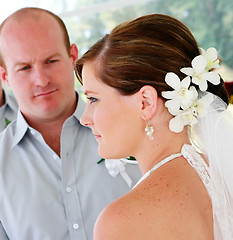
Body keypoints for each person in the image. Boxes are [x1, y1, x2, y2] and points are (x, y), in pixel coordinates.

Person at [76, 14, 233, 239]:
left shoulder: (121, 222)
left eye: (93, 99)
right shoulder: (222, 177)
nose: (85, 118)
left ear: (146, 102)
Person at [0, 7, 141, 240]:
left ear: (73, 55)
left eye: (51, 61)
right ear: (4, 76)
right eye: (25, 67)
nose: (42, 80)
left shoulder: (133, 128)